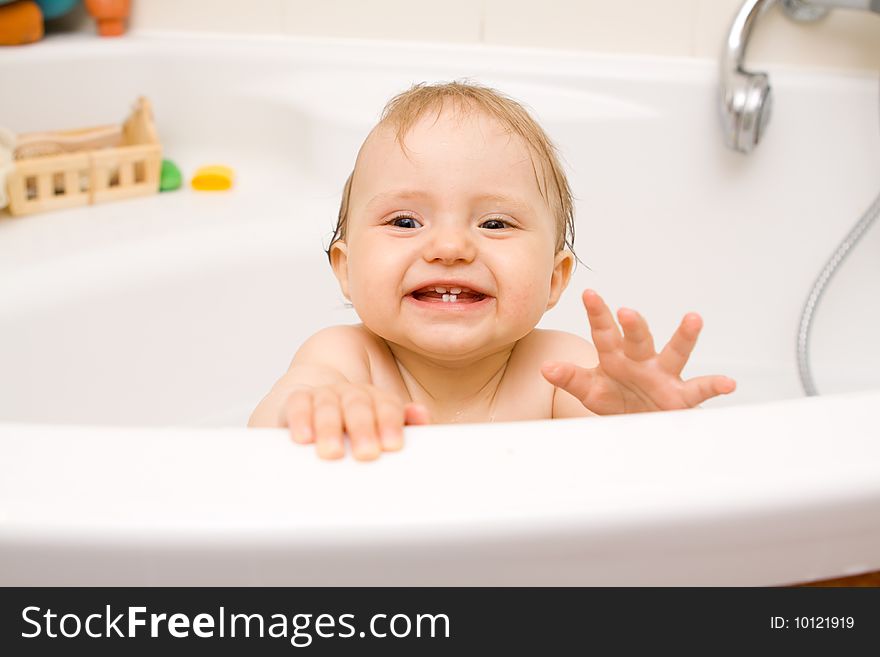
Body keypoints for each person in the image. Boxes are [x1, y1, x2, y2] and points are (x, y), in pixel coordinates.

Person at [248, 81, 736, 460]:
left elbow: (629, 483)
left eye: (495, 223)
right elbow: (266, 428)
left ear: (553, 279)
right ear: (346, 269)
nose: (450, 247)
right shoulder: (347, 359)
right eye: (404, 221)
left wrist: (644, 426)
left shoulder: (557, 374)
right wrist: (321, 407)